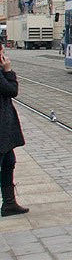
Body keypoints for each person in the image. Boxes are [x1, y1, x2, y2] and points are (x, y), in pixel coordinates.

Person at [0, 48, 28, 216]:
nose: (3, 52)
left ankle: (9, 203)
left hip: (4, 128)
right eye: (1, 49)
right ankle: (8, 203)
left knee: (9, 161)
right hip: (1, 127)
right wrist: (8, 71)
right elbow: (12, 91)